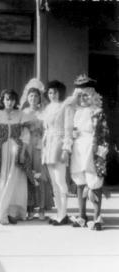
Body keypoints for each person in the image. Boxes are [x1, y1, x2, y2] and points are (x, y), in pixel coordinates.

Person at [69, 75, 109, 231]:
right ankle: (82, 215)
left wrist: (102, 152)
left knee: (95, 182)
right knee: (80, 181)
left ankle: (97, 218)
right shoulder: (76, 112)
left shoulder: (98, 112)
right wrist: (72, 135)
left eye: (86, 95)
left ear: (92, 95)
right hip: (79, 148)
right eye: (80, 95)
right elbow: (72, 130)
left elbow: (104, 133)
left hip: (93, 149)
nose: (83, 98)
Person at [0, 89, 33, 225]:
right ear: (3, 100)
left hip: (16, 148)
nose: (9, 102)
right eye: (7, 99)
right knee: (1, 179)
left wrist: (22, 152)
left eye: (12, 99)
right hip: (2, 149)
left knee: (15, 179)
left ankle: (12, 212)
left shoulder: (21, 115)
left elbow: (25, 135)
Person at [20, 79, 54, 220]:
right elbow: (21, 131)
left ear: (40, 97)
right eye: (31, 96)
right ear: (27, 98)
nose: (33, 98)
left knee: (40, 175)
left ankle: (41, 208)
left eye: (36, 96)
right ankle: (29, 208)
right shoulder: (24, 112)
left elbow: (48, 129)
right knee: (28, 174)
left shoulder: (44, 112)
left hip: (40, 145)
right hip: (27, 145)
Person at [42, 80, 74, 226]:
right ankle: (59, 213)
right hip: (48, 146)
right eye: (49, 92)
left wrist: (66, 149)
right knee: (53, 183)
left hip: (59, 144)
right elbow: (46, 129)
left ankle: (64, 214)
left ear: (60, 92)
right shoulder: (48, 108)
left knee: (60, 181)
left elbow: (68, 130)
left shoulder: (65, 107)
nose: (52, 95)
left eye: (54, 92)